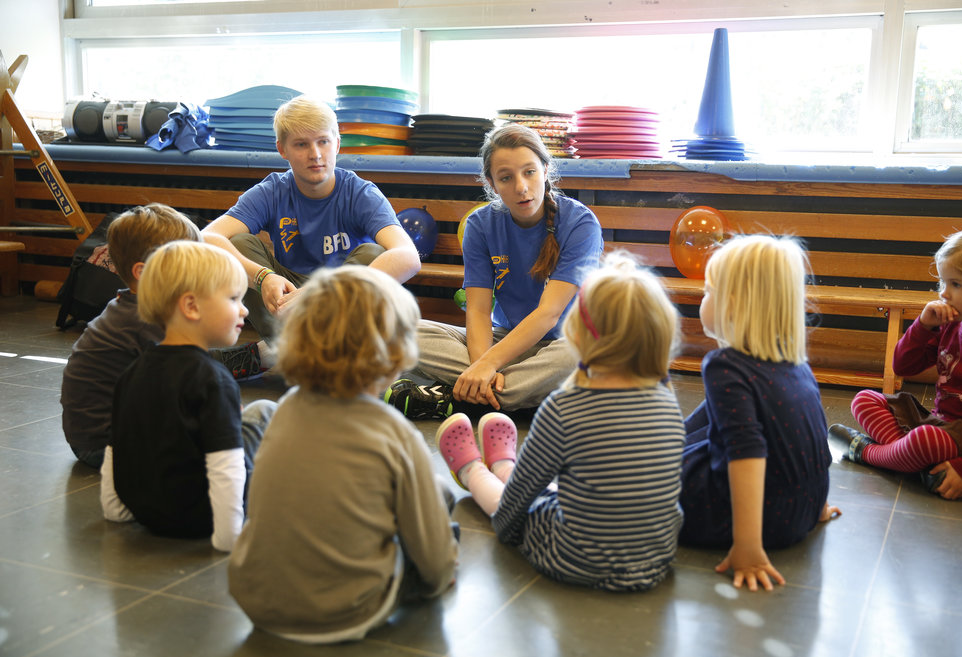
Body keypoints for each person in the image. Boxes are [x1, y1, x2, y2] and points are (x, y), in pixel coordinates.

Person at [228, 265, 458, 643]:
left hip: (257, 599)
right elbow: (433, 561)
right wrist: (442, 570)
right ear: (395, 354)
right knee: (439, 501)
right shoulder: (395, 432)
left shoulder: (284, 411)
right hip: (343, 613)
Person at [435, 252, 684, 591]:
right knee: (568, 491)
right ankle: (504, 465)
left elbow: (517, 503)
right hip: (655, 560)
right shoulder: (668, 402)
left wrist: (508, 530)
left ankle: (473, 471)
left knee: (531, 501)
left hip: (575, 560)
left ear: (577, 335)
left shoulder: (565, 408)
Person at [385, 123, 603, 419]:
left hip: (564, 343)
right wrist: (482, 366)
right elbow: (478, 311)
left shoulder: (580, 223)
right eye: (506, 177)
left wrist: (489, 365)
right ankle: (517, 395)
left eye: (529, 172)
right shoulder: (480, 225)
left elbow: (549, 314)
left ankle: (461, 399)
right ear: (491, 182)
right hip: (506, 339)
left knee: (581, 352)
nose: (521, 187)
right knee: (400, 330)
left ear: (545, 170)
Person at [679, 235, 840, 592]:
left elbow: (746, 453)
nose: (702, 299)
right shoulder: (795, 363)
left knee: (649, 478)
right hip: (803, 510)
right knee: (696, 431)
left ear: (733, 304)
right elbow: (815, 433)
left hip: (757, 520)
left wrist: (748, 546)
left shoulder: (724, 366)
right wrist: (818, 504)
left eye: (708, 291)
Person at [202, 95, 420, 341]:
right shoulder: (272, 191)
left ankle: (309, 349)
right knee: (239, 243)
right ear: (282, 149)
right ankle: (293, 347)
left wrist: (324, 292)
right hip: (288, 299)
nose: (315, 154)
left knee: (374, 254)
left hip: (342, 302)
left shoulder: (360, 192)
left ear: (337, 145)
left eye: (323, 142)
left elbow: (408, 256)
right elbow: (206, 238)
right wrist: (263, 277)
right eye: (301, 144)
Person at [100, 241, 273, 552]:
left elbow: (117, 447)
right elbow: (226, 465)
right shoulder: (213, 379)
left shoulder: (132, 371)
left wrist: (116, 508)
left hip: (146, 512)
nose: (245, 310)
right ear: (191, 306)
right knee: (263, 411)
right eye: (233, 299)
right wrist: (229, 537)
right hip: (202, 517)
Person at [830, 226, 962, 500]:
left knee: (925, 441)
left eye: (956, 284)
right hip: (939, 425)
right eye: (942, 283)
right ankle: (915, 463)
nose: (944, 294)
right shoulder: (951, 324)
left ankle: (866, 452)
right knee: (864, 400)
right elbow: (902, 366)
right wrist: (922, 326)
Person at [60, 204, 201, 468]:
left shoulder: (130, 306)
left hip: (92, 438)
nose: (197, 269)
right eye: (186, 261)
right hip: (105, 444)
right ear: (143, 272)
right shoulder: (144, 319)